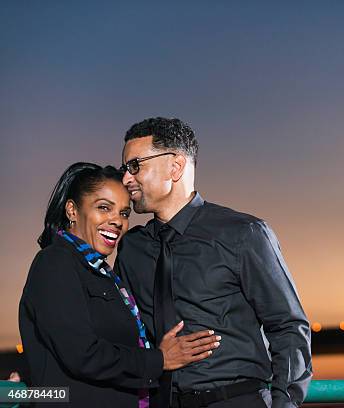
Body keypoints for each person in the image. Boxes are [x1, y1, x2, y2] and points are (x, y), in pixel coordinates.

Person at [116, 117, 312, 408]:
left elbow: (288, 327)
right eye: (124, 169)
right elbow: (120, 332)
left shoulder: (243, 233)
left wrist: (284, 405)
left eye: (135, 166)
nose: (126, 179)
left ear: (175, 166)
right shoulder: (132, 248)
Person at [19, 163, 221, 407]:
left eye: (124, 213)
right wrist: (159, 359)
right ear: (72, 210)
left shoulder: (103, 274)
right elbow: (82, 354)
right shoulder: (55, 262)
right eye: (104, 208)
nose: (117, 221)